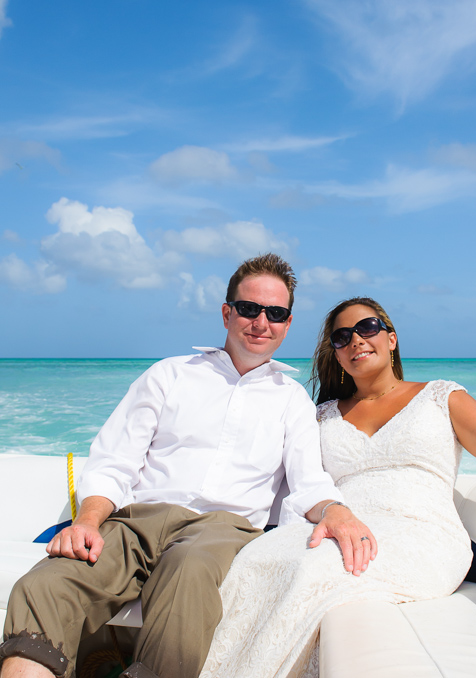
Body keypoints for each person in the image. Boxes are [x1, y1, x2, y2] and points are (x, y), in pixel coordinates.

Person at [199, 296, 476, 678]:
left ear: (391, 339)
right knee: (256, 561)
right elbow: (290, 477)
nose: (356, 341)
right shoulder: (322, 415)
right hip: (344, 526)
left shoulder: (440, 397)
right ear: (336, 353)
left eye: (367, 328)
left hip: (422, 534)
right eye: (342, 337)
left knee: (316, 570)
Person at [0, 257, 376, 678]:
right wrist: (87, 521)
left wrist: (335, 510)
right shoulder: (169, 375)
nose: (261, 322)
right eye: (249, 308)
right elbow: (115, 461)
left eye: (275, 314)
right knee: (44, 586)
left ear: (287, 324)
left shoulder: (292, 401)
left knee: (188, 572)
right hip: (136, 522)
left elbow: (308, 481)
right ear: (227, 312)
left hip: (222, 528)